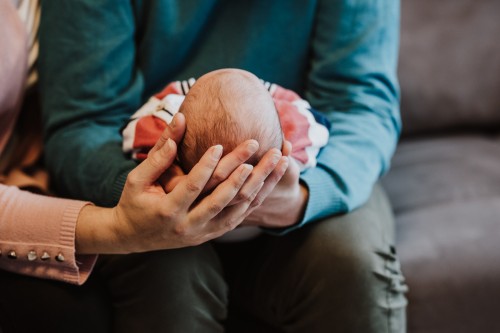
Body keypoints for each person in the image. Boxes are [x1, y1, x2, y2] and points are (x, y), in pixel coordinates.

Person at [20, 0, 407, 332]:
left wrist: (305, 195)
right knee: (168, 283)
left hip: (308, 169)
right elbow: (83, 122)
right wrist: (147, 190)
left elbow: (361, 105)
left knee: (350, 271)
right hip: (143, 169)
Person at [0, 1, 286, 332]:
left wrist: (302, 196)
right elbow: (87, 122)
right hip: (38, 189)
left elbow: (351, 102)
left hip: (28, 174)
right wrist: (122, 221)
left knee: (348, 263)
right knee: (90, 308)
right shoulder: (164, 112)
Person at [123, 68, 331, 241]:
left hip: (185, 221)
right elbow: (319, 123)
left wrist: (164, 171)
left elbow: (132, 133)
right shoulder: (294, 134)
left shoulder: (166, 121)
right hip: (263, 226)